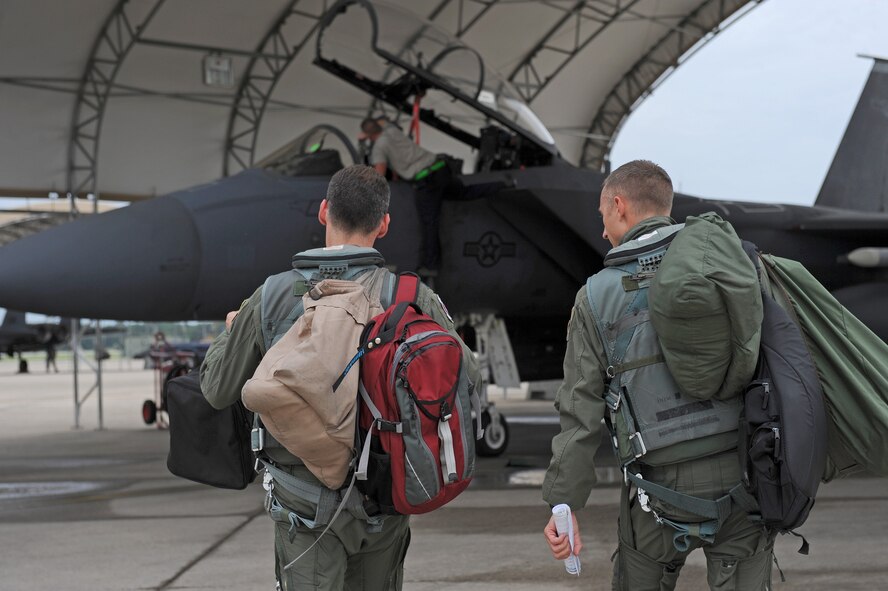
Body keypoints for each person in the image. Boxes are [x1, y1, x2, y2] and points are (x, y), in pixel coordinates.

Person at [200, 164, 480, 591]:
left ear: (324, 211)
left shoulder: (273, 294)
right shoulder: (409, 296)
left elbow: (217, 389)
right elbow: (466, 377)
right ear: (384, 224)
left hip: (303, 502)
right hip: (383, 497)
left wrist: (230, 333)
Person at [541, 160, 776, 590]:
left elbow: (580, 410)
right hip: (743, 476)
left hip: (657, 491)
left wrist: (564, 502)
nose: (603, 231)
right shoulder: (735, 266)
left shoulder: (595, 296)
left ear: (619, 206)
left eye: (603, 217)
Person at [358, 116, 511, 278]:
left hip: (428, 181)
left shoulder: (379, 146)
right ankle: (503, 186)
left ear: (368, 134)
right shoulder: (392, 130)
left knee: (429, 222)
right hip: (441, 169)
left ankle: (430, 266)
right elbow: (383, 122)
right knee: (465, 192)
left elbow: (379, 174)